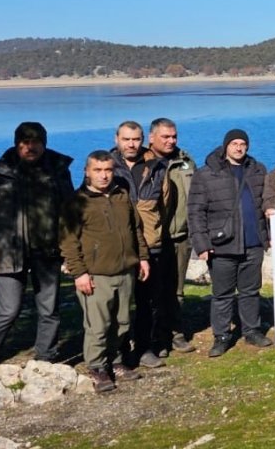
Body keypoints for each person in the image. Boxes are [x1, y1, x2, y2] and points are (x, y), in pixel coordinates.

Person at [59, 150, 150, 392]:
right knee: (98, 325)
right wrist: (79, 273)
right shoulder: (76, 202)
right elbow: (68, 241)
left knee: (121, 322)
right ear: (87, 172)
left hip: (125, 270)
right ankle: (97, 367)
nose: (104, 175)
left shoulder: (121, 196)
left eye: (108, 170)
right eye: (98, 170)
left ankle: (116, 360)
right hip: (96, 274)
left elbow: (136, 229)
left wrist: (142, 258)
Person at [0, 122, 73, 364]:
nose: (30, 147)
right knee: (7, 310)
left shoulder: (57, 170)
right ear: (17, 144)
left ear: (44, 143)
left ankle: (45, 355)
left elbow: (68, 212)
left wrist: (69, 251)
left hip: (46, 251)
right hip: (7, 253)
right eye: (25, 142)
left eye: (36, 142)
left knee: (49, 310)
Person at [188, 129, 272, 357]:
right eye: (234, 143)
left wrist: (269, 233)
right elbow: (195, 211)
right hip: (222, 244)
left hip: (253, 243)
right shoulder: (206, 174)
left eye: (243, 143)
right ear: (226, 146)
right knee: (222, 294)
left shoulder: (257, 170)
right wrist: (201, 244)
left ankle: (252, 330)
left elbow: (266, 203)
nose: (238, 147)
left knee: (250, 291)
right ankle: (222, 336)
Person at [110, 120, 168, 368]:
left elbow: (165, 205)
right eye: (126, 139)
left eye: (136, 139)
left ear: (142, 139)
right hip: (118, 247)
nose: (131, 144)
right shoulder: (106, 166)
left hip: (150, 243)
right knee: (119, 304)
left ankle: (144, 348)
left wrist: (156, 233)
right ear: (117, 139)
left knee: (148, 302)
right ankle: (119, 351)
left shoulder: (156, 167)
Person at [147, 118, 197, 354]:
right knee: (154, 291)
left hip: (181, 236)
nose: (171, 141)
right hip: (154, 239)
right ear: (151, 137)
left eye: (174, 136)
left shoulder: (185, 161)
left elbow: (196, 197)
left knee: (177, 290)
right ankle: (157, 337)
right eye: (165, 136)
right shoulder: (143, 163)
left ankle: (176, 333)